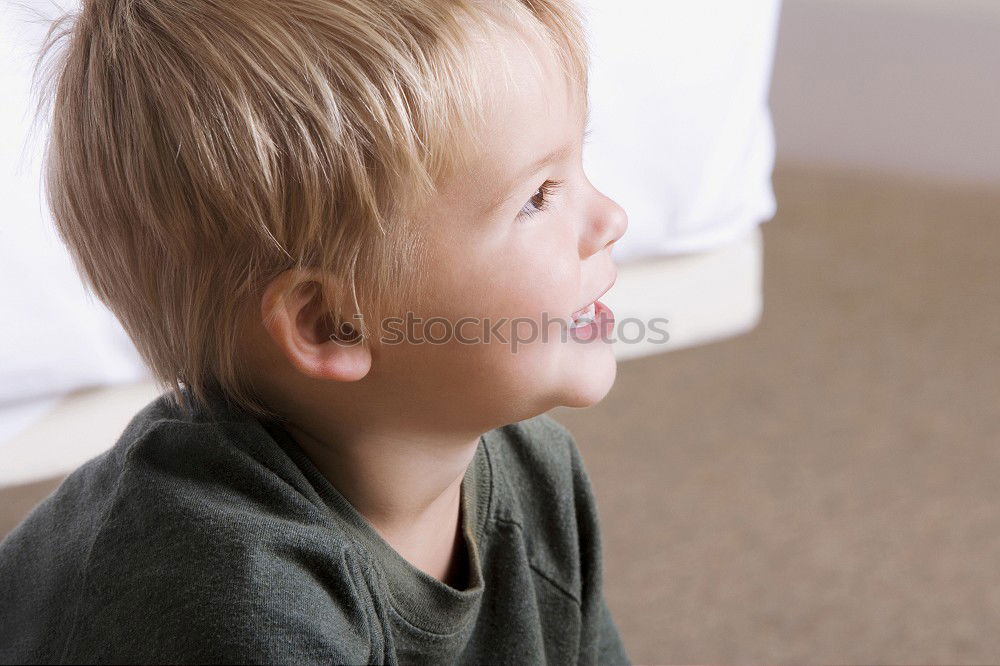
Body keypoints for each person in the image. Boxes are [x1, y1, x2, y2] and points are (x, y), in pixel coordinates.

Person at [0, 0, 630, 663]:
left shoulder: (539, 475)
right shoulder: (228, 596)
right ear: (333, 325)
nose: (610, 219)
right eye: (536, 197)